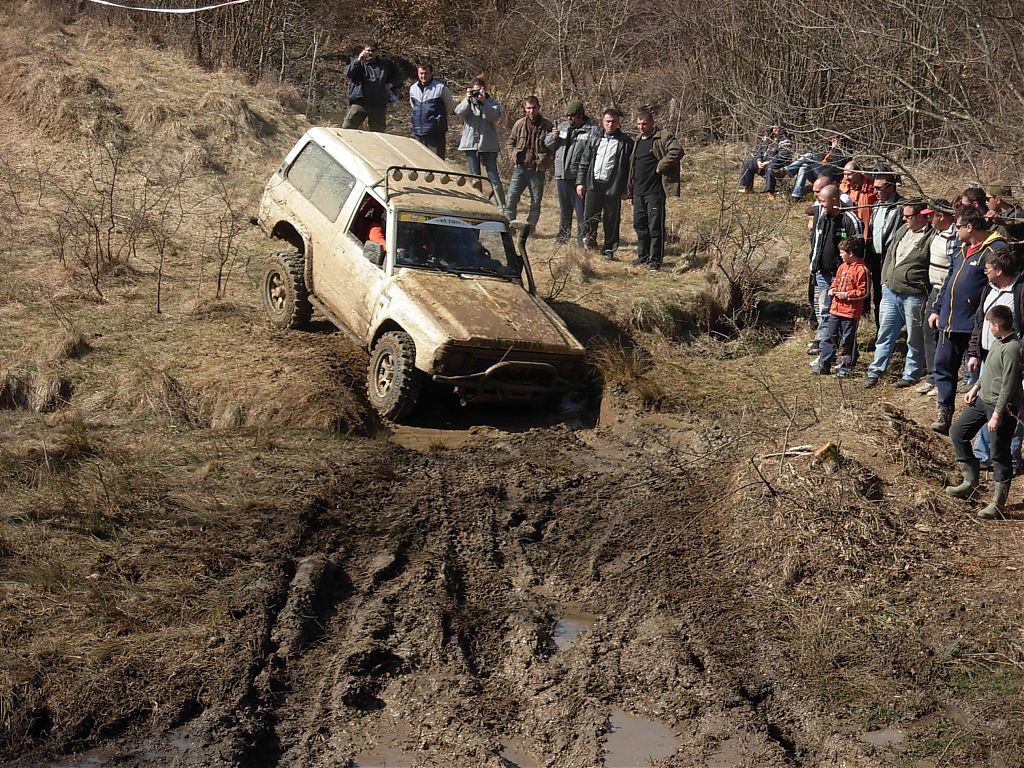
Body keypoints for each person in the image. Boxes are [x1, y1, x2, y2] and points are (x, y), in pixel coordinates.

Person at [929, 206, 1011, 434]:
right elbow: (949, 281)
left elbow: (998, 287)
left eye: (957, 226)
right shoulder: (960, 249)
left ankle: (978, 421)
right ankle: (944, 412)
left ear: (969, 226)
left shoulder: (995, 248)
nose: (955, 231)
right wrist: (937, 308)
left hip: (976, 325)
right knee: (942, 366)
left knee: (978, 374)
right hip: (949, 321)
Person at [945, 304, 1023, 519]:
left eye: (990, 324)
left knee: (999, 453)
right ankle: (969, 482)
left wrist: (997, 414)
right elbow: (989, 370)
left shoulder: (1013, 349)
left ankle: (998, 503)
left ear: (997, 325)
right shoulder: (998, 343)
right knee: (958, 432)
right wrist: (975, 387)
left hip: (1002, 407)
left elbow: (1009, 384)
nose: (988, 327)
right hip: (983, 400)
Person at [966, 249, 1024, 472]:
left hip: (1010, 359)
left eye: (988, 269)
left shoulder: (1020, 291)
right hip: (987, 357)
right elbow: (980, 321)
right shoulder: (989, 289)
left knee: (1009, 409)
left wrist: (1017, 353)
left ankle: (1011, 459)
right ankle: (984, 455)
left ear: (999, 271)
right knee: (986, 405)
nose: (984, 272)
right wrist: (973, 351)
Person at [864, 201, 933, 388]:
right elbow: (889, 254)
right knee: (885, 333)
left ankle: (911, 374)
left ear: (921, 216)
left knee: (914, 338)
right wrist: (884, 280)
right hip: (890, 292)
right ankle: (876, 370)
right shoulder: (902, 230)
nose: (904, 219)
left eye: (908, 216)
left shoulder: (931, 236)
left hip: (914, 296)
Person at [807, 185, 863, 355]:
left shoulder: (850, 220)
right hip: (823, 273)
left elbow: (859, 250)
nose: (821, 205)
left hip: (844, 277)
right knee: (825, 311)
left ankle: (843, 350)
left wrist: (850, 273)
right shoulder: (822, 216)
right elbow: (817, 242)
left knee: (841, 315)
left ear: (834, 200)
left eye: (823, 201)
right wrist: (814, 265)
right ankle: (825, 347)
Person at [628, 109, 683, 270]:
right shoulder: (638, 140)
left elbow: (677, 151)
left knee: (655, 227)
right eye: (638, 124)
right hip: (638, 191)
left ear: (652, 123)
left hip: (654, 191)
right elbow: (632, 167)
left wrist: (661, 166)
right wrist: (630, 191)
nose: (641, 127)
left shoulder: (662, 136)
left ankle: (655, 260)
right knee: (640, 225)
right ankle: (643, 256)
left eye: (644, 124)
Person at [577, 108, 634, 260]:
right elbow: (584, 161)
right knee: (590, 216)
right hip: (594, 183)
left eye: (613, 121)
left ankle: (609, 249)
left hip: (613, 186)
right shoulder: (595, 138)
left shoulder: (626, 142)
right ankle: (589, 242)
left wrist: (627, 190)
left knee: (611, 219)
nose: (610, 124)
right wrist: (580, 182)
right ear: (602, 122)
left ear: (618, 122)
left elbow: (629, 169)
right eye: (607, 121)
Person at [811, 237, 870, 377]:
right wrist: (833, 289)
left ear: (851, 253)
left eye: (842, 252)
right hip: (835, 310)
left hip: (850, 313)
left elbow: (864, 292)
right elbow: (836, 282)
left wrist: (846, 295)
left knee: (847, 341)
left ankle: (845, 368)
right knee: (829, 337)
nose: (840, 255)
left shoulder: (862, 270)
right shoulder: (842, 267)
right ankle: (824, 365)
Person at [918, 199, 958, 395]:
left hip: (947, 290)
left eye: (930, 216)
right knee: (928, 331)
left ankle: (942, 378)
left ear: (941, 216)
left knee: (943, 335)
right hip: (935, 288)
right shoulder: (936, 233)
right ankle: (932, 377)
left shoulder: (954, 237)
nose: (928, 219)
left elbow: (954, 266)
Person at [545, 100, 598, 245]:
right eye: (567, 116)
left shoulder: (592, 130)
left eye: (572, 116)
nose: (569, 119)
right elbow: (548, 144)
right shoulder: (563, 127)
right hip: (562, 174)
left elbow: (592, 153)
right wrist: (553, 137)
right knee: (565, 210)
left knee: (581, 211)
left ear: (580, 115)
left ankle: (583, 240)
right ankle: (563, 237)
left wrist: (584, 179)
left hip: (578, 178)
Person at [504, 96, 553, 230]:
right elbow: (510, 142)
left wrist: (545, 164)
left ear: (539, 108)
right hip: (520, 168)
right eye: (529, 108)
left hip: (537, 170)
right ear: (525, 109)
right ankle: (508, 228)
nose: (531, 111)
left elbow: (553, 150)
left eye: (534, 108)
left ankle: (529, 230)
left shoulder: (547, 126)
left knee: (535, 202)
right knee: (511, 199)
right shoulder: (519, 124)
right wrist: (514, 156)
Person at [456, 78, 505, 208]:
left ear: (484, 89)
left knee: (493, 176)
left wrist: (484, 102)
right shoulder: (469, 102)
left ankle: (501, 205)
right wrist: (467, 99)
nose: (476, 94)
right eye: (474, 91)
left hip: (488, 144)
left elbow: (494, 117)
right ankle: (479, 206)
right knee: (475, 179)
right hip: (471, 144)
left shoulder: (492, 102)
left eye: (479, 91)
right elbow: (458, 112)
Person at [865, 167, 906, 325]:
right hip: (876, 259)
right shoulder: (876, 206)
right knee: (878, 297)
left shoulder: (901, 207)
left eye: (878, 188)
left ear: (891, 187)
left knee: (892, 297)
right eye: (873, 187)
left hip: (893, 261)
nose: (875, 191)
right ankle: (880, 329)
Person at [342, 42, 401, 132]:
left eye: (373, 51)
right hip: (360, 103)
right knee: (347, 128)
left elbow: (399, 75)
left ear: (377, 52)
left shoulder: (385, 64)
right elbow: (348, 74)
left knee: (378, 132)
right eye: (368, 51)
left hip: (378, 104)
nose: (370, 53)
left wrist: (390, 84)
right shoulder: (357, 62)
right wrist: (358, 60)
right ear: (363, 51)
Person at [786, 132, 850, 202]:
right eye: (832, 138)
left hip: (829, 175)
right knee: (804, 167)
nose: (833, 140)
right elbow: (819, 159)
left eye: (835, 138)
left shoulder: (843, 149)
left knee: (809, 156)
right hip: (819, 173)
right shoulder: (827, 148)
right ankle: (796, 195)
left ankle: (788, 170)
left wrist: (835, 148)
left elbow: (835, 166)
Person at [409, 63, 455, 159]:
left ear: (431, 73)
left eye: (426, 73)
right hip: (418, 132)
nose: (423, 76)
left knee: (436, 162)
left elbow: (450, 106)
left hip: (435, 133)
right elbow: (414, 106)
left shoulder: (441, 88)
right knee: (419, 161)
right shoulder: (413, 88)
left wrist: (438, 119)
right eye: (421, 73)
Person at [738, 124, 792, 199]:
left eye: (779, 127)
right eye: (775, 127)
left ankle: (770, 192)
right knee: (747, 163)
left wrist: (769, 162)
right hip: (763, 162)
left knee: (771, 168)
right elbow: (759, 150)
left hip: (777, 164)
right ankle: (747, 187)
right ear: (772, 128)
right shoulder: (767, 138)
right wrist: (758, 160)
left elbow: (784, 156)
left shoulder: (785, 140)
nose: (777, 129)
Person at [839, 160, 877, 235]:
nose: (846, 178)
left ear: (858, 173)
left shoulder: (871, 188)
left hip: (866, 227)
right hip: (847, 227)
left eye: (849, 174)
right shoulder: (843, 186)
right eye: (844, 174)